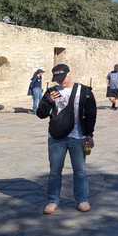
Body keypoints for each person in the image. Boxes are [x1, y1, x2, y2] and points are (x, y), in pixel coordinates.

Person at [36, 63, 96, 214]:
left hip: (78, 136)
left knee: (80, 170)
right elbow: (41, 114)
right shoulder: (52, 92)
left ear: (69, 74)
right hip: (56, 137)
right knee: (55, 171)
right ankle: (52, 200)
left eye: (62, 78)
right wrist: (48, 101)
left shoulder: (84, 91)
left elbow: (91, 114)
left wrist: (89, 135)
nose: (60, 81)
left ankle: (82, 199)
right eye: (57, 78)